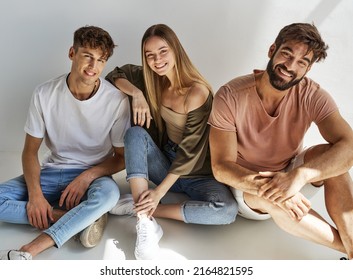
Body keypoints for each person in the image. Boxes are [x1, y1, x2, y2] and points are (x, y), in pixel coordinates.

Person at [208, 22, 353, 259]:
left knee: (333, 154)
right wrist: (276, 188)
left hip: (290, 170)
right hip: (247, 185)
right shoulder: (230, 95)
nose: (290, 66)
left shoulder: (312, 94)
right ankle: (350, 250)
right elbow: (221, 168)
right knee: (276, 199)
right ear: (272, 49)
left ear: (308, 69)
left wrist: (300, 176)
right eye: (286, 54)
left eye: (301, 62)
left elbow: (349, 147)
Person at [106, 23, 237, 260]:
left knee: (226, 212)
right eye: (150, 55)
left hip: (199, 173)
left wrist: (157, 195)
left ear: (176, 50)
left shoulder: (197, 92)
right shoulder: (153, 81)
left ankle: (143, 209)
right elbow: (115, 74)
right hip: (165, 162)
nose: (157, 60)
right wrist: (136, 94)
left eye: (163, 51)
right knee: (135, 133)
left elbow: (190, 152)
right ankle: (145, 223)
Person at [0, 25, 130, 260]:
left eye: (101, 60)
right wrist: (36, 196)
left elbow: (122, 158)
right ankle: (77, 219)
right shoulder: (44, 94)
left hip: (94, 177)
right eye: (87, 56)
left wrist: (88, 176)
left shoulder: (116, 101)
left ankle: (30, 250)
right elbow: (30, 153)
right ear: (72, 53)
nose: (93, 67)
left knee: (109, 196)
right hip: (52, 171)